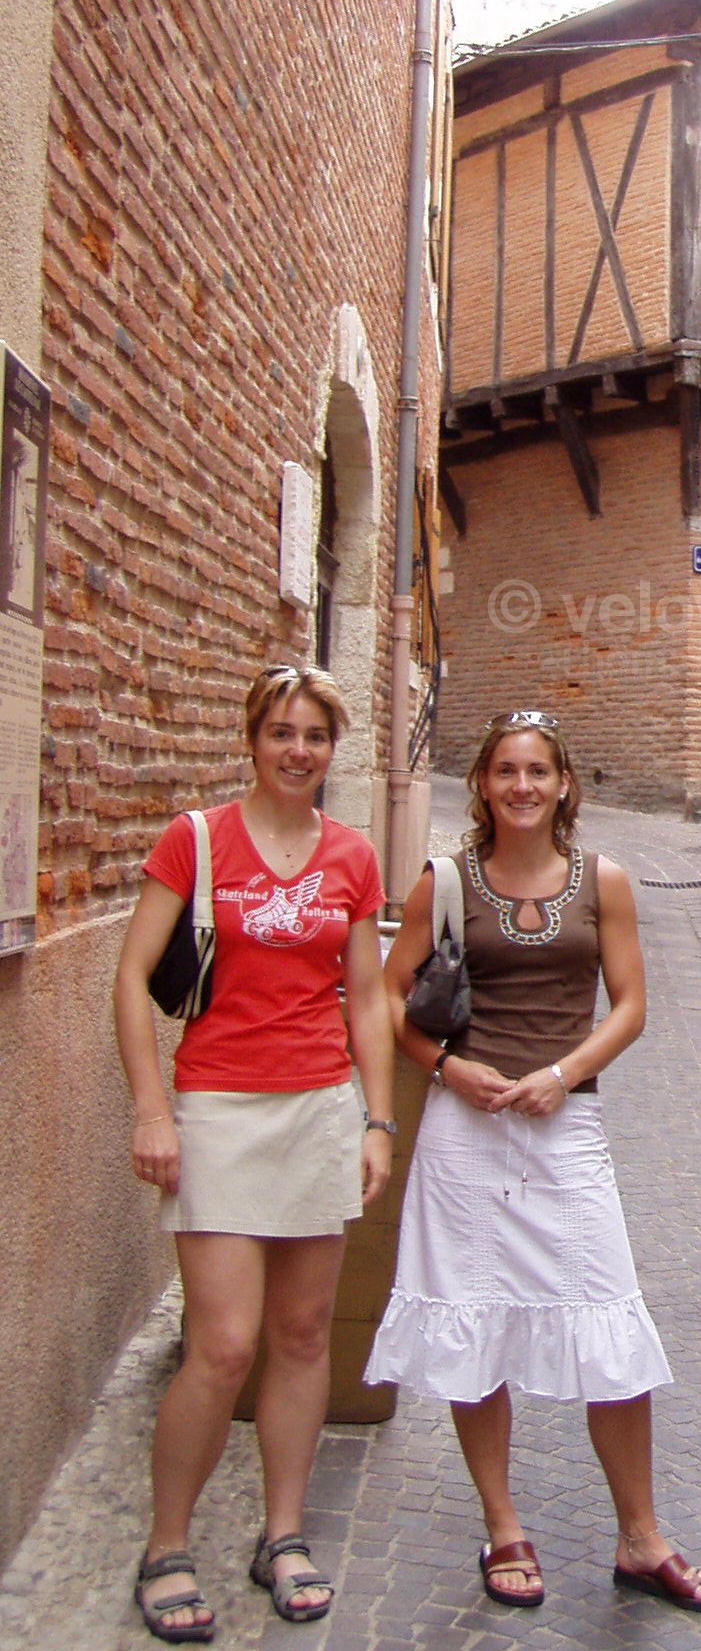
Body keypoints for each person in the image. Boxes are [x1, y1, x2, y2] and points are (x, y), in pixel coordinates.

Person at [365, 709, 701, 1614]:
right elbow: (385, 1000)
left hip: (567, 1128)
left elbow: (630, 1006)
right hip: (466, 1132)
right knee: (476, 1320)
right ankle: (503, 1526)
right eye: (505, 772)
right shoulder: (443, 884)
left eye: (538, 772)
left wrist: (563, 1075)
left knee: (610, 1321)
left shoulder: (603, 881)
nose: (522, 786)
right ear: (483, 785)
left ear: (565, 785)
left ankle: (641, 1539)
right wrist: (448, 1069)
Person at [114, 665, 394, 1642]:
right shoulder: (195, 841)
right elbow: (130, 977)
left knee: (306, 1334)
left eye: (314, 734)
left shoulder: (351, 856)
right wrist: (153, 1108)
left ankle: (281, 1534)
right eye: (281, 731)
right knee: (223, 1342)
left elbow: (365, 998)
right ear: (253, 738)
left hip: (319, 1106)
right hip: (219, 1106)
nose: (296, 749)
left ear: (330, 747)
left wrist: (376, 1119)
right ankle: (167, 1542)